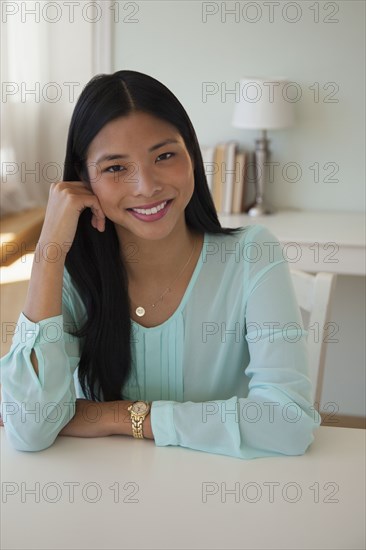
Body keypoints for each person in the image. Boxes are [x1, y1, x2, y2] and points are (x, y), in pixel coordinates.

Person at [0, 70, 321, 457]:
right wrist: (49, 251)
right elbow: (30, 429)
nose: (146, 186)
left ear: (192, 155)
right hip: (101, 501)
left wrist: (120, 416)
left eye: (164, 155)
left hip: (224, 497)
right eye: (116, 168)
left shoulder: (253, 255)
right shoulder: (71, 274)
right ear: (84, 180)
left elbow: (288, 424)